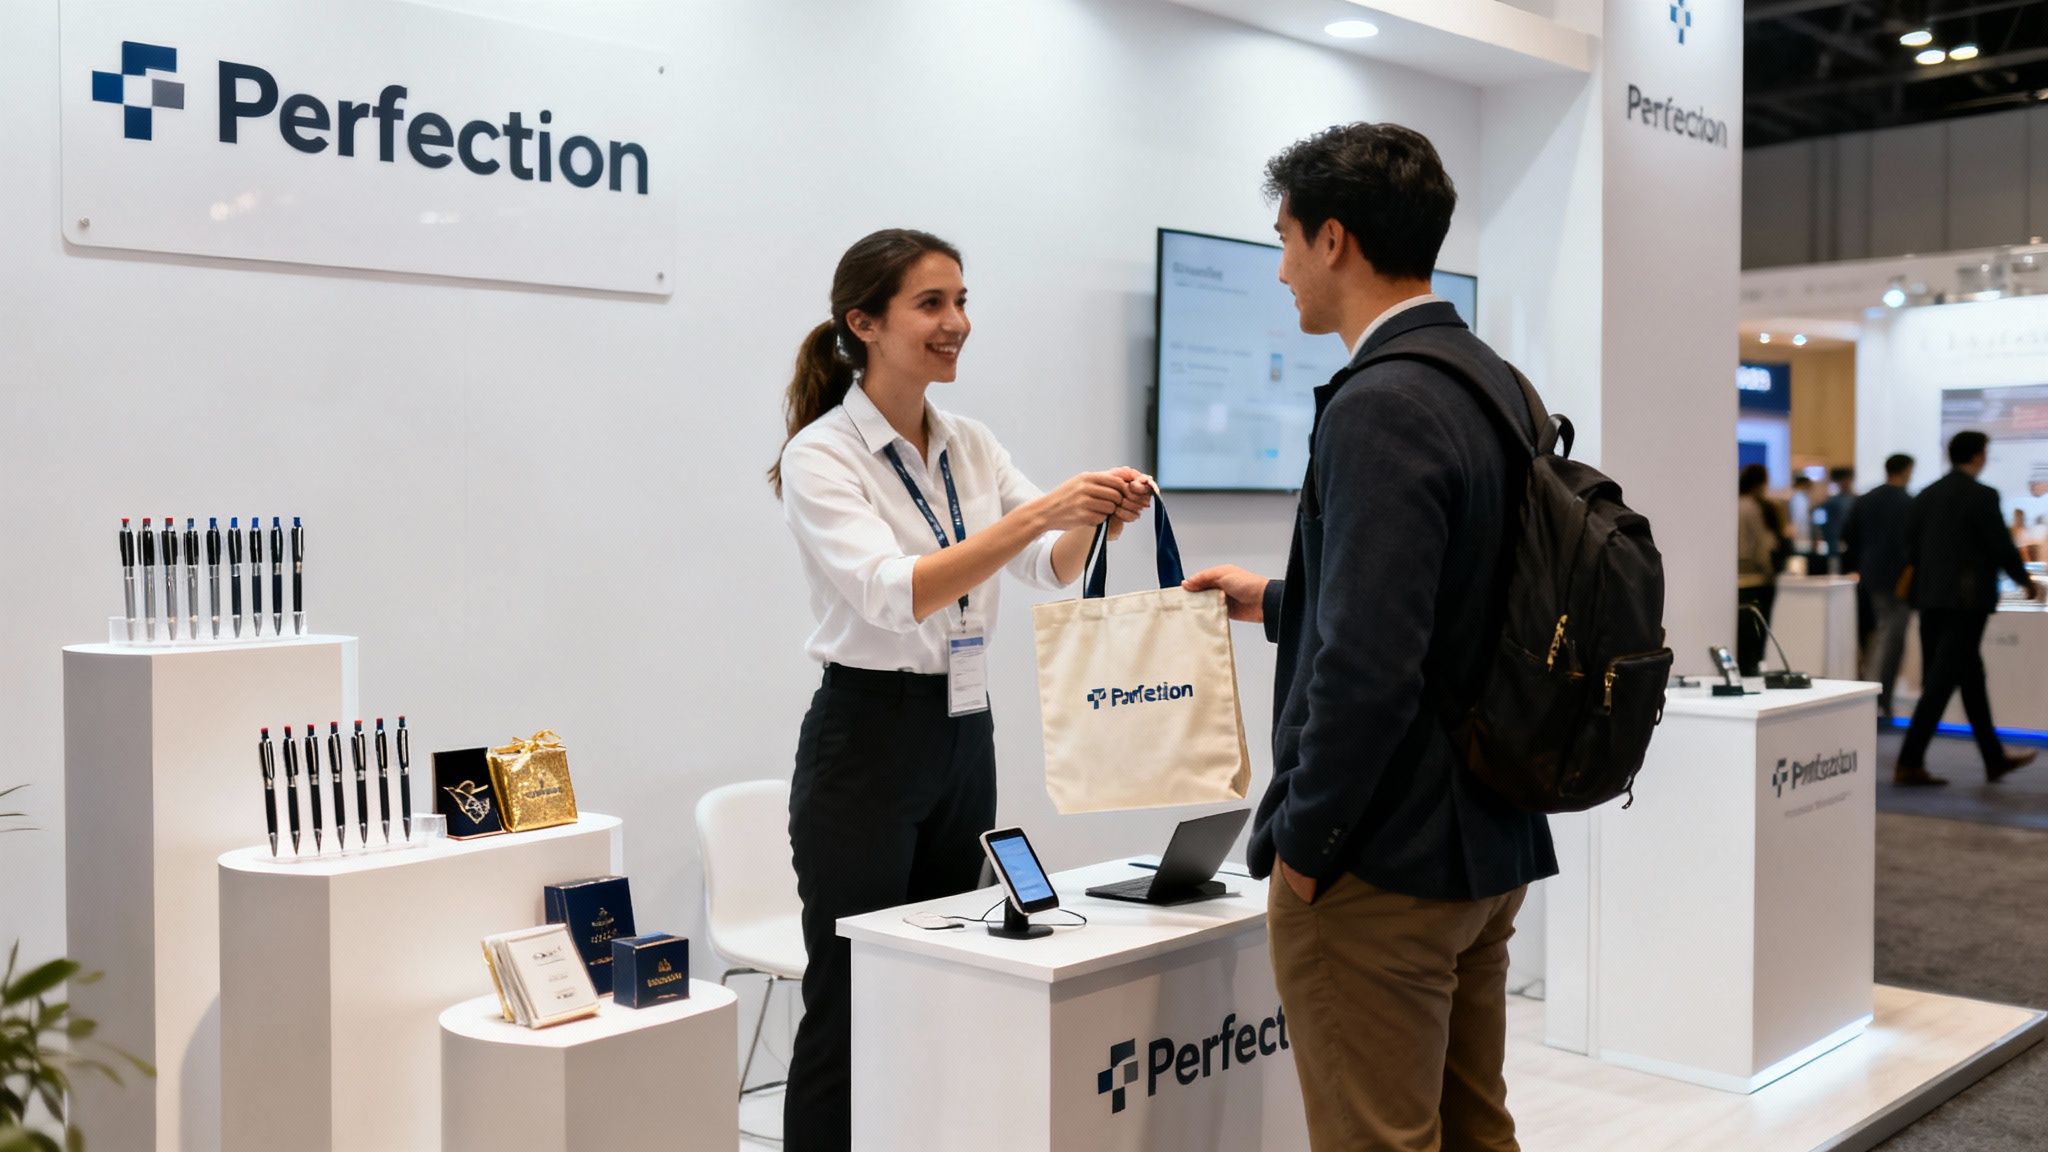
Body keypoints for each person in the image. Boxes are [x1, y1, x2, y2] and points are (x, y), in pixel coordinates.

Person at [1183, 123, 1556, 1152]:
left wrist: (1305, 846)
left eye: (1284, 239)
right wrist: (1281, 600)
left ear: (1333, 239)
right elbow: (1457, 599)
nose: (1281, 270)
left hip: (1384, 860)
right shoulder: (1492, 380)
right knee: (1474, 1131)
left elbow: (1369, 668)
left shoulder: (1380, 401)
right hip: (1487, 834)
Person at [770, 228, 1151, 1149]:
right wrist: (1040, 512)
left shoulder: (969, 443)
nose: (957, 323)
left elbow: (1049, 566)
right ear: (864, 324)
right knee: (850, 997)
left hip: (963, 731)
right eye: (931, 304)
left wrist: (1097, 515)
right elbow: (894, 592)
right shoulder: (824, 455)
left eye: (962, 301)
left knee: (943, 976)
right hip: (865, 740)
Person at [1894, 431, 2042, 787]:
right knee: (1941, 682)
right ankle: (1909, 761)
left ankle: (1994, 759)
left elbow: (1911, 547)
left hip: (1930, 600)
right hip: (1966, 602)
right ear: (1978, 456)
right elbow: (1999, 545)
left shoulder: (1926, 495)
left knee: (1970, 680)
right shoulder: (1982, 495)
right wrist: (2024, 580)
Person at [1842, 454, 1915, 720]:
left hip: (1871, 576)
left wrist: (1859, 564)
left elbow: (1848, 535)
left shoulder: (1866, 499)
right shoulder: (1908, 502)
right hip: (1900, 579)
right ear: (1906, 471)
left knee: (1881, 633)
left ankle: (1874, 694)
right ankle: (1879, 697)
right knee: (1891, 637)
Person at [1737, 464, 1780, 677]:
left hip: (1737, 578)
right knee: (1754, 636)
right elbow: (1763, 545)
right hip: (1756, 578)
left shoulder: (1734, 504)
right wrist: (1770, 571)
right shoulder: (1754, 508)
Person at [1819, 466, 1856, 571]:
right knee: (1835, 570)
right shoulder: (1832, 502)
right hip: (1835, 544)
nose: (1845, 483)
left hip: (1852, 545)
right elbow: (1824, 523)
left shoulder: (1856, 500)